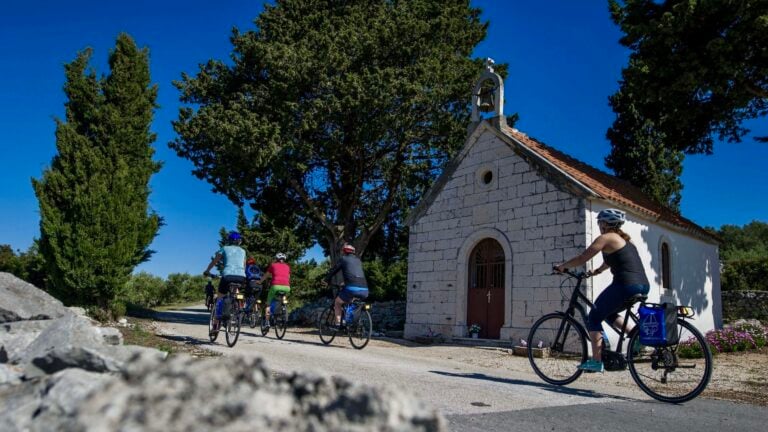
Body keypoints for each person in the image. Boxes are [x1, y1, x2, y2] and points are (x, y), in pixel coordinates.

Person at [554, 208, 650, 373]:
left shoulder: (605, 238)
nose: (599, 225)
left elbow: (582, 258)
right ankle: (636, 336)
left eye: (600, 222)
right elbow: (614, 261)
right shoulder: (624, 240)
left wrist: (562, 267)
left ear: (605, 223)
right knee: (607, 313)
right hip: (642, 285)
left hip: (625, 284)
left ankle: (596, 361)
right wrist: (596, 271)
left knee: (594, 315)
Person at [204, 231, 247, 335]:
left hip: (227, 276)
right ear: (239, 242)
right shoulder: (243, 251)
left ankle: (215, 326)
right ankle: (237, 309)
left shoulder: (224, 248)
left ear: (229, 240)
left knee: (219, 298)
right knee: (236, 292)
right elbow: (244, 266)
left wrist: (207, 271)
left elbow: (215, 261)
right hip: (241, 277)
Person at [324, 243, 368, 330]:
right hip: (365, 290)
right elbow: (355, 275)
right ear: (353, 252)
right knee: (351, 302)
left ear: (344, 252)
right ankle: (350, 322)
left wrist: (326, 280)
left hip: (351, 288)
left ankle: (338, 324)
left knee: (337, 302)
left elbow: (334, 270)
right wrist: (345, 282)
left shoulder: (343, 259)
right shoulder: (358, 261)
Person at [258, 252, 291, 326]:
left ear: (276, 259)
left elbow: (266, 275)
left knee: (268, 304)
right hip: (287, 287)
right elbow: (288, 278)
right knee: (282, 297)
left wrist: (260, 282)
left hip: (275, 286)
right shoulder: (287, 267)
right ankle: (283, 307)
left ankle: (266, 322)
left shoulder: (273, 265)